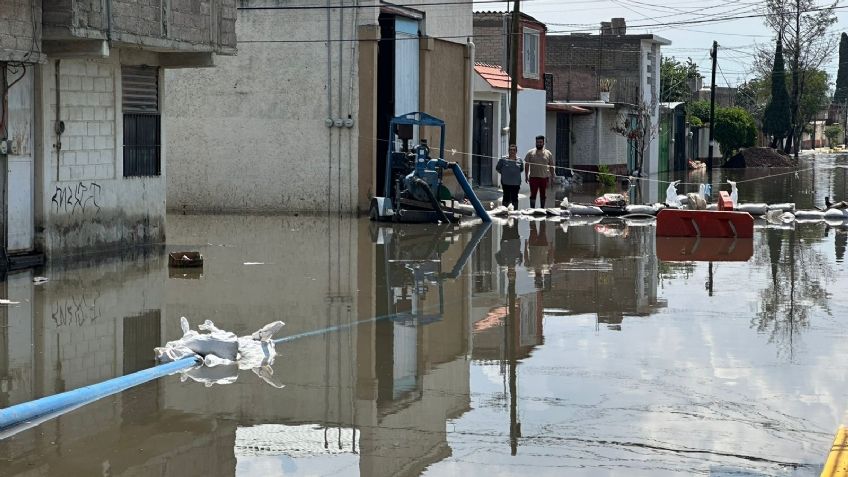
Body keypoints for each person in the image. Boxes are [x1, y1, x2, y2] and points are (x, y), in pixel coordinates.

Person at [524, 135, 554, 209]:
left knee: (543, 195)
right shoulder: (530, 152)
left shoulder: (548, 153)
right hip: (533, 178)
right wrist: (526, 176)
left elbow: (551, 166)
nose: (539, 144)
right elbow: (526, 164)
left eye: (540, 142)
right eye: (537, 142)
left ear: (543, 143)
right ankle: (532, 209)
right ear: (535, 143)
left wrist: (552, 176)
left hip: (544, 178)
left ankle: (542, 209)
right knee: (533, 195)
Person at [496, 144, 523, 210]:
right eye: (510, 150)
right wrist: (504, 173)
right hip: (506, 182)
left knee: (515, 197)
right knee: (506, 197)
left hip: (516, 183)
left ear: (516, 151)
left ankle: (515, 211)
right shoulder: (503, 159)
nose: (512, 151)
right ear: (508, 151)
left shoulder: (519, 160)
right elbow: (498, 168)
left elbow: (521, 169)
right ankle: (504, 211)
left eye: (514, 150)